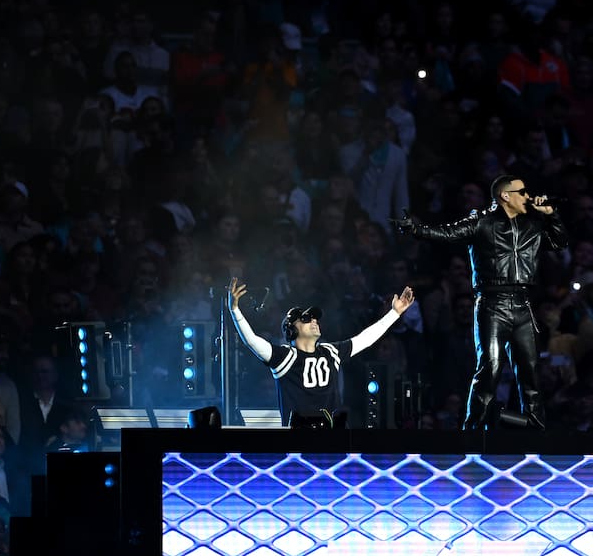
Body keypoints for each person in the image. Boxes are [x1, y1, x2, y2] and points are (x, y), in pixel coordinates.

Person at [402, 175, 567, 429]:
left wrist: (551, 214)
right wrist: (417, 229)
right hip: (493, 304)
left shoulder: (531, 226)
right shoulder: (482, 223)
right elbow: (449, 232)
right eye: (520, 192)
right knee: (490, 367)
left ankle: (535, 430)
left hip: (523, 305)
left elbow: (559, 241)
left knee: (530, 371)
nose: (526, 195)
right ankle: (474, 430)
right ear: (505, 196)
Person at [228, 277, 415, 428]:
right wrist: (235, 309)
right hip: (297, 443)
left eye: (315, 318)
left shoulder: (330, 352)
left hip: (333, 438)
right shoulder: (285, 357)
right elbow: (252, 341)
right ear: (291, 329)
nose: (314, 321)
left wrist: (394, 313)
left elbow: (365, 339)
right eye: (306, 318)